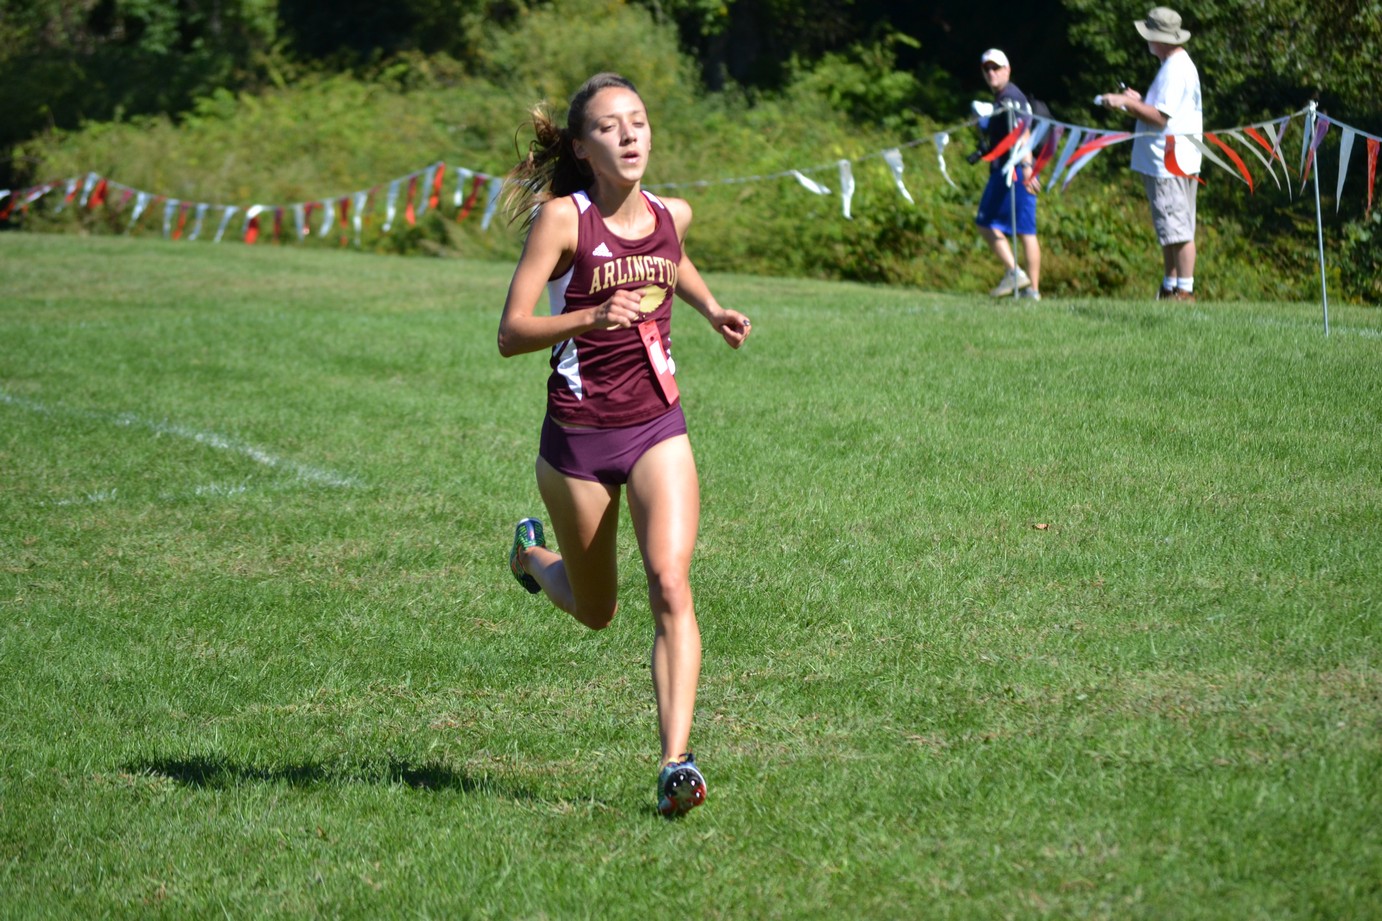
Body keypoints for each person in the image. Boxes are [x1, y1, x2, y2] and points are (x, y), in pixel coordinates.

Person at [496, 72, 752, 817]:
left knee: (670, 582)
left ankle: (677, 761)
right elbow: (511, 333)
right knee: (596, 609)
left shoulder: (673, 211)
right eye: (610, 127)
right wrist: (591, 316)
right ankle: (530, 558)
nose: (630, 135)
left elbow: (669, 257)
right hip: (576, 442)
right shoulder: (562, 221)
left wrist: (709, 309)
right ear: (582, 146)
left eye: (638, 121)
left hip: (656, 426)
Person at [1100, 7, 1203, 302]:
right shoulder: (1175, 66)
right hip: (1171, 160)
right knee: (1169, 228)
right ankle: (1171, 285)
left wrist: (1124, 102)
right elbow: (1163, 110)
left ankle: (1184, 291)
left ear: (1160, 38)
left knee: (1178, 228)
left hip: (1168, 162)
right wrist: (1139, 100)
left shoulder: (1174, 69)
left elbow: (1160, 118)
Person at [973, 48, 1042, 300]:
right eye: (986, 69)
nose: (991, 73)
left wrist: (1026, 167)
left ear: (1007, 70)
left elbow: (1022, 133)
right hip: (1017, 169)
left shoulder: (1010, 97)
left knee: (986, 222)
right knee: (1025, 230)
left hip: (1013, 171)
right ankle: (1032, 291)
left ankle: (1016, 273)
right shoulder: (1005, 97)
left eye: (996, 68)